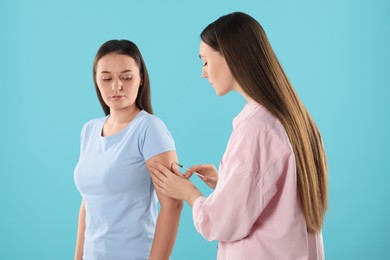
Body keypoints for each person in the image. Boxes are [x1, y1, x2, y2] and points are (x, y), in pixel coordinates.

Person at [150, 12, 328, 259]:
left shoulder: (257, 126)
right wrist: (224, 182)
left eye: (205, 61)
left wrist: (189, 192)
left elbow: (224, 222)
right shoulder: (295, 118)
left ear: (230, 56)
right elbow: (278, 198)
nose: (203, 73)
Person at [73, 39, 182, 260]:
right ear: (96, 80)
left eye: (126, 77)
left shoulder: (149, 128)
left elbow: (173, 203)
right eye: (106, 78)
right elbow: (88, 201)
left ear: (141, 79)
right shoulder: (89, 130)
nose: (116, 86)